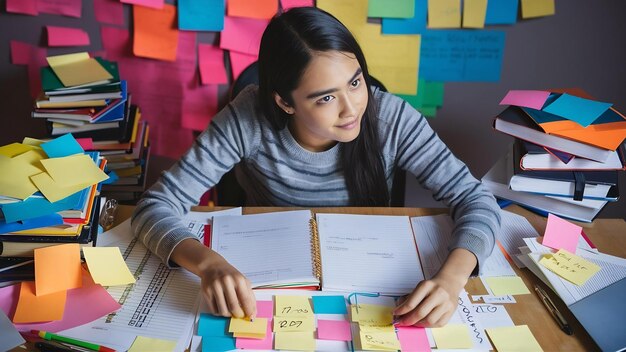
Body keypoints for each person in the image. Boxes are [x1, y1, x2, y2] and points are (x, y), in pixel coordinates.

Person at [131, 7, 501, 328]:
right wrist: (208, 263)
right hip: (271, 281)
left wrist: (452, 280)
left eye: (355, 82)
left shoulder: (390, 117)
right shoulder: (248, 118)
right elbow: (153, 207)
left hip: (369, 281)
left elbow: (475, 200)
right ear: (285, 102)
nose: (352, 108)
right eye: (326, 98)